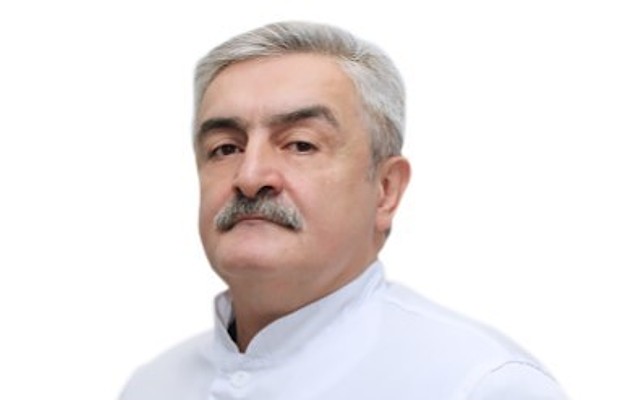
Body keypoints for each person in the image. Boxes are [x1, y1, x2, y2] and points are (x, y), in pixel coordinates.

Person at [120, 21, 568, 400]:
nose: (250, 176)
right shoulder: (153, 385)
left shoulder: (479, 383)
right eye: (225, 148)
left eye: (300, 144)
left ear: (386, 190)